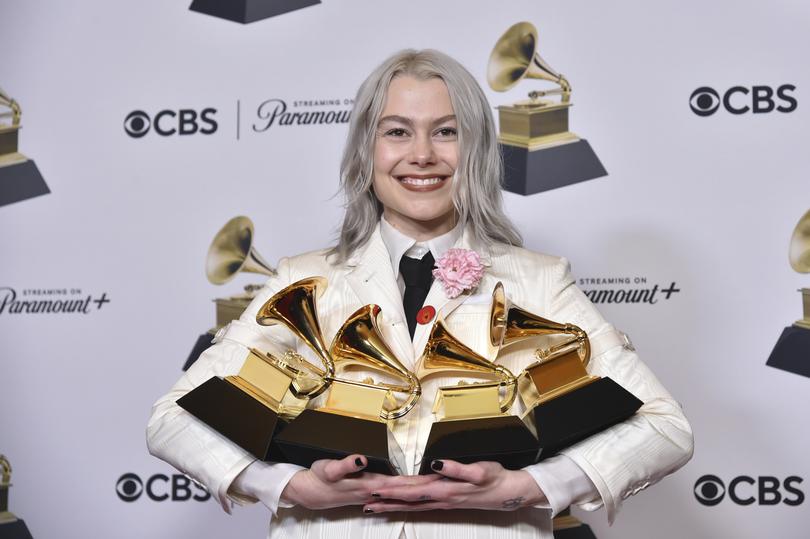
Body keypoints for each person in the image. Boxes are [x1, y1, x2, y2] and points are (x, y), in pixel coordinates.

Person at [146, 49, 693, 539]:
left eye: (447, 132)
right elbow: (172, 419)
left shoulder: (541, 280)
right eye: (398, 131)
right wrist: (285, 486)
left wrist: (531, 487)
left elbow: (665, 429)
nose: (423, 154)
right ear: (366, 151)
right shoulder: (297, 278)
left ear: (476, 148)